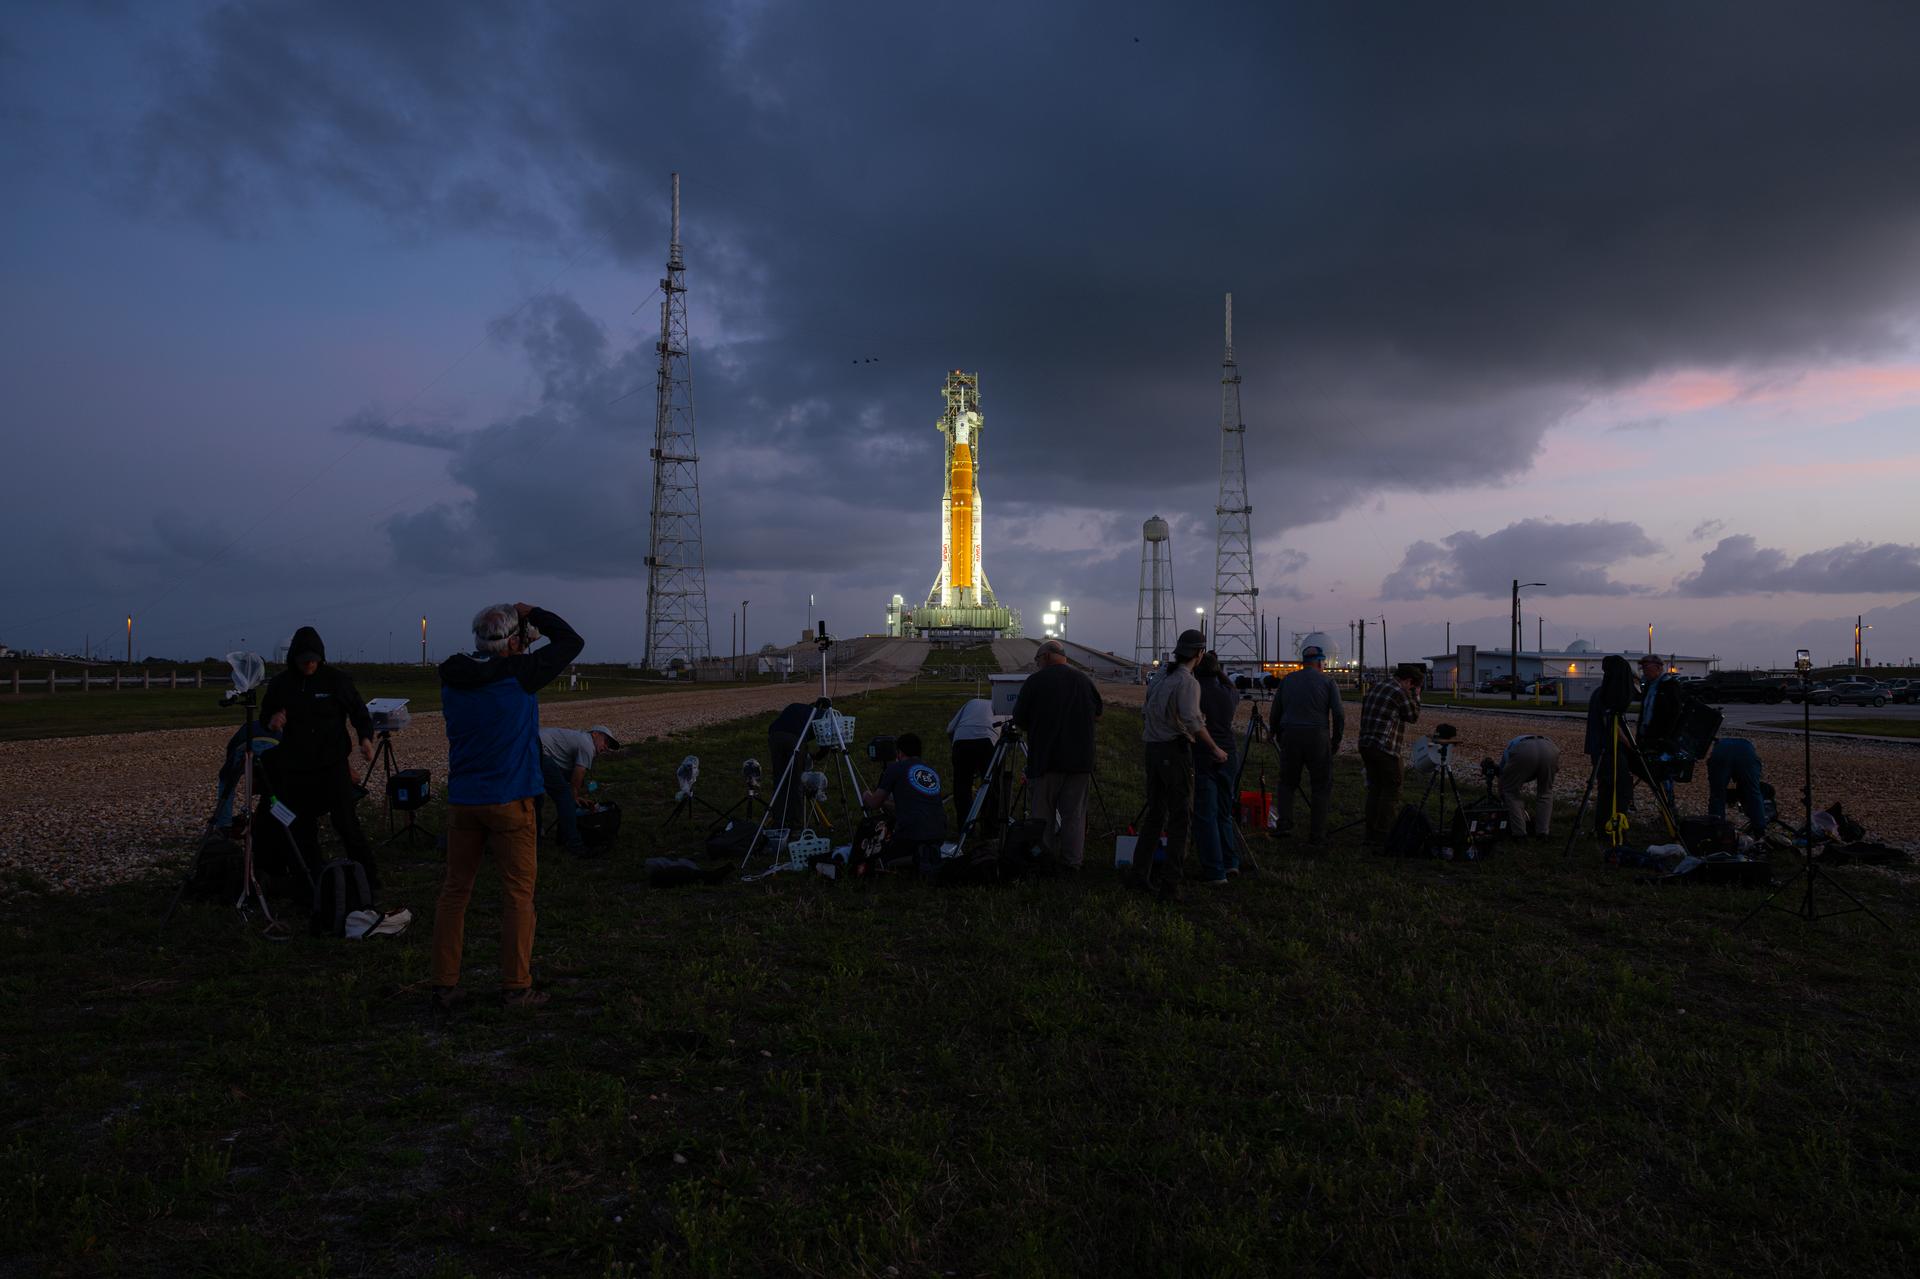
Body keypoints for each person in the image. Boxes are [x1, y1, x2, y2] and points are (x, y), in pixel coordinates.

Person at [431, 602, 583, 1010]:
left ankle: (444, 984)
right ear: (514, 641)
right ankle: (516, 986)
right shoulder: (521, 674)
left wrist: (516, 641)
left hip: (464, 800)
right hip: (511, 801)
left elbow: (485, 665)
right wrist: (535, 612)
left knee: (454, 892)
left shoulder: (452, 676)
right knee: (518, 895)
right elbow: (571, 641)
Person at [258, 626, 379, 891]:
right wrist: (272, 720)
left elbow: (359, 712)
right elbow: (265, 715)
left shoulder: (336, 680)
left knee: (346, 823)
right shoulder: (281, 684)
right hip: (296, 769)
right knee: (301, 828)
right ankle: (311, 883)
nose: (309, 664)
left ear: (320, 657)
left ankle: (369, 881)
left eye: (313, 659)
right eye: (304, 661)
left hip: (332, 765)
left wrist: (365, 739)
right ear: (294, 659)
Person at [1134, 629, 1229, 899]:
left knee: (1155, 814)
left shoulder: (1162, 676)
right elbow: (1193, 722)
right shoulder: (1188, 682)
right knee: (1180, 819)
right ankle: (1170, 883)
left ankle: (1140, 874)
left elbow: (1148, 709)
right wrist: (1215, 749)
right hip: (1173, 752)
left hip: (1152, 749)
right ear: (1199, 654)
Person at [1011, 638, 1105, 872]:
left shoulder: (1036, 681)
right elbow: (1098, 713)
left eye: (1037, 660)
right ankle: (1073, 862)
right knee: (1074, 815)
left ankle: (1044, 859)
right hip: (1080, 761)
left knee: (1042, 814)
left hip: (1046, 760)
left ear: (1045, 657)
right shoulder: (1084, 680)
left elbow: (1020, 719)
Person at [1269, 644, 1345, 846]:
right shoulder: (1328, 682)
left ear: (1303, 662)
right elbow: (1338, 714)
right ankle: (1317, 834)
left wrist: (1274, 732)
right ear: (1321, 662)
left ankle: (1284, 824)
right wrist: (1335, 741)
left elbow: (1276, 709)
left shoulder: (1288, 680)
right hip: (1317, 737)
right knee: (1320, 786)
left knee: (1287, 783)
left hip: (1290, 735)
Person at [1188, 651, 1244, 884]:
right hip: (1229, 753)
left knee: (1205, 814)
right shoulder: (1230, 692)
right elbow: (1228, 683)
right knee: (1224, 811)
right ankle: (1231, 861)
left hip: (1204, 753)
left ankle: (1214, 870)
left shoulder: (1194, 690)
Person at [1357, 662, 1423, 850]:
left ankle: (1370, 834)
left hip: (1366, 744)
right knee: (1392, 790)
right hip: (1385, 748)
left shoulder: (1376, 687)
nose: (1411, 689)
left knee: (1376, 789)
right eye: (1413, 686)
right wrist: (1416, 696)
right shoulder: (1399, 691)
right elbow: (1412, 716)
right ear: (1409, 681)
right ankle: (1384, 836)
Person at [536, 724, 621, 855]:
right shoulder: (587, 744)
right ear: (595, 734)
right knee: (565, 797)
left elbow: (576, 778)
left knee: (537, 795)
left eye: (608, 746)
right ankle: (574, 845)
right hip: (539, 750)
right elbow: (579, 774)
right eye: (605, 742)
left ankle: (535, 837)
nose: (605, 747)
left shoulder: (580, 740)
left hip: (531, 746)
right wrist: (573, 797)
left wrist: (577, 793)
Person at [861, 732, 946, 859]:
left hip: (911, 837)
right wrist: (885, 803)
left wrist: (866, 795)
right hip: (939, 836)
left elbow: (874, 803)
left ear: (899, 752)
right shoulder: (931, 771)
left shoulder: (895, 768)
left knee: (877, 854)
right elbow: (912, 805)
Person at [1585, 654, 1637, 838]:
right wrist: (1633, 747)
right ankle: (1614, 828)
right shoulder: (1607, 696)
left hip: (1599, 749)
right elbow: (1612, 727)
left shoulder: (1600, 693)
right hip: (1607, 750)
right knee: (1620, 788)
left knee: (1606, 790)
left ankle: (1602, 828)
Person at [945, 695, 999, 826]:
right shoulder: (1002, 709)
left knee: (962, 787)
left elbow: (950, 729)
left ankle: (965, 827)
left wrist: (956, 748)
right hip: (986, 742)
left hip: (961, 743)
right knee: (990, 786)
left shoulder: (971, 703)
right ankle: (989, 828)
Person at [1498, 733, 1561, 837]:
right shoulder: (1515, 741)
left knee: (1511, 793)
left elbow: (1503, 778)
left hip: (1523, 751)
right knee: (1545, 792)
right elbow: (1556, 770)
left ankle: (1520, 834)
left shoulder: (1507, 756)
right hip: (1549, 748)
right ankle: (1543, 832)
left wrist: (1502, 795)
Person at [1705, 736, 1769, 835]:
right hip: (1746, 751)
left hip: (1721, 750)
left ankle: (1716, 830)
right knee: (1754, 794)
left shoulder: (1720, 746)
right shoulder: (1748, 748)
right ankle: (1760, 831)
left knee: (1717, 795)